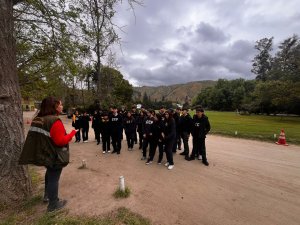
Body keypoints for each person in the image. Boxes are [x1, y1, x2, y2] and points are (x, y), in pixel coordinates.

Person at [19, 97, 77, 212]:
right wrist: (72, 134)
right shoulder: (54, 121)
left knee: (49, 174)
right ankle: (53, 204)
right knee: (54, 178)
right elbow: (60, 141)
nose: (62, 106)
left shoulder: (37, 119)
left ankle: (47, 196)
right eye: (60, 104)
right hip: (53, 155)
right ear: (54, 106)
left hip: (43, 153)